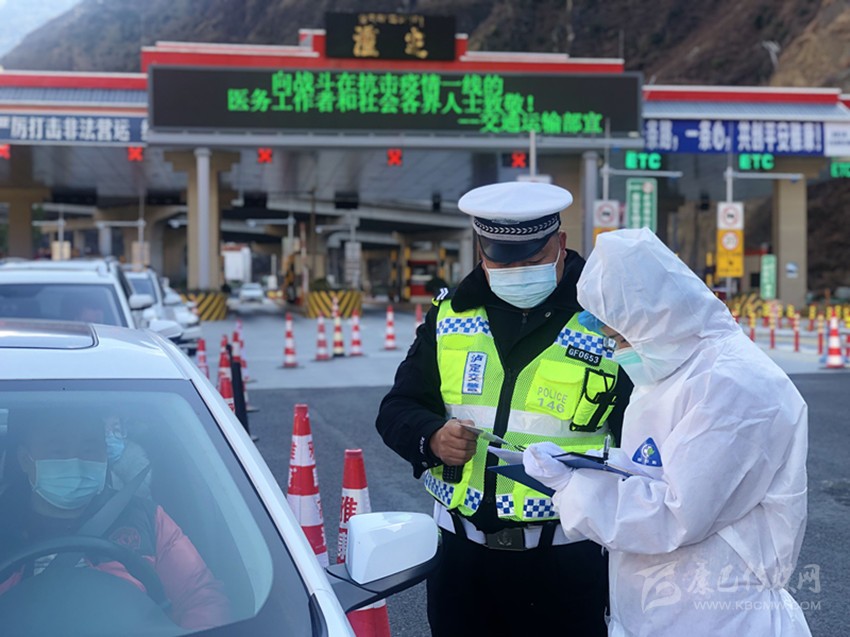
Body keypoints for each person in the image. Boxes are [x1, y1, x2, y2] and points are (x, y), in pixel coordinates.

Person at [523, 228, 811, 636]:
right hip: (663, 606)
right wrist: (593, 463)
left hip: (721, 614)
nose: (617, 350)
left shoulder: (734, 383)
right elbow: (656, 465)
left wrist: (573, 488)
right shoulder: (673, 368)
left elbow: (677, 514)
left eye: (620, 337)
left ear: (654, 319)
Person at [376, 181, 632, 636]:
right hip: (462, 566)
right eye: (501, 260)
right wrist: (431, 437)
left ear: (560, 243)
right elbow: (398, 408)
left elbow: (649, 436)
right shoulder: (451, 315)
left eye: (532, 260)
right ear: (481, 250)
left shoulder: (608, 318)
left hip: (568, 562)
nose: (517, 271)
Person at [0, 410, 230, 631]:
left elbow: (201, 597)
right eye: (58, 451)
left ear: (105, 454)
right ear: (24, 459)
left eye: (89, 449)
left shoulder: (147, 518)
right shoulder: (4, 526)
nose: (76, 460)